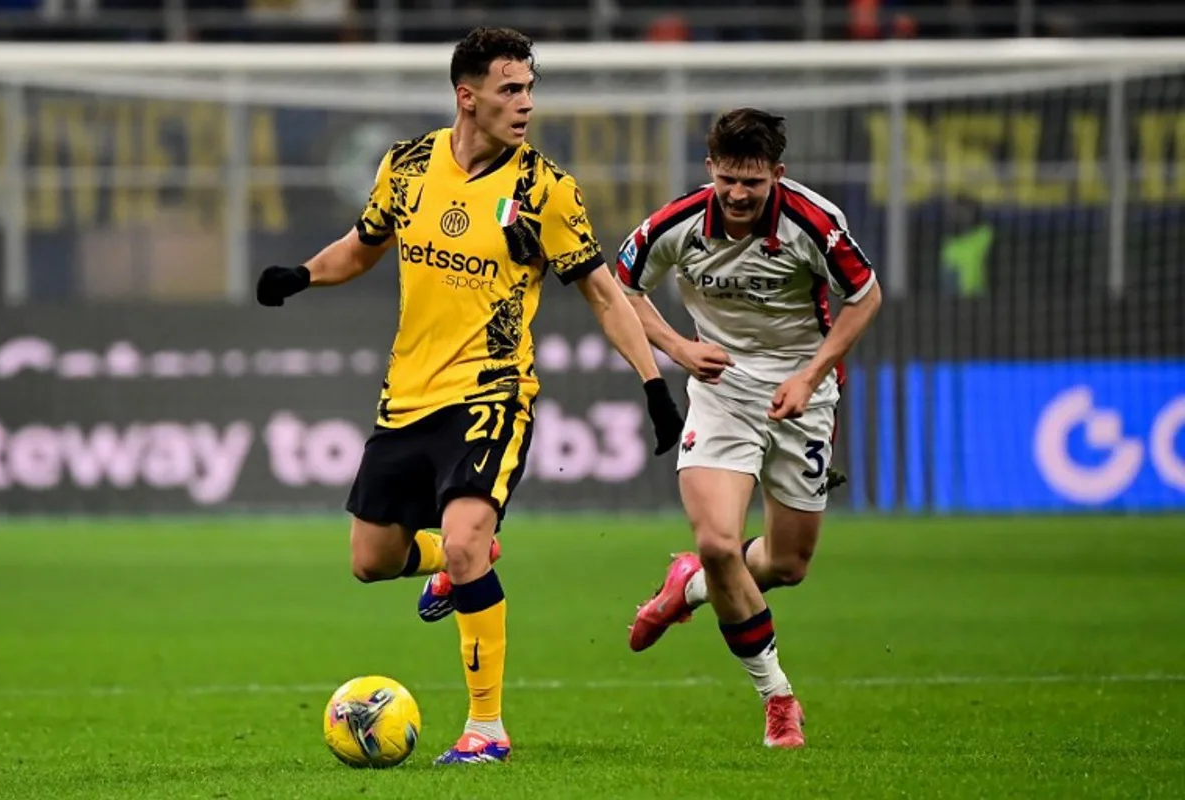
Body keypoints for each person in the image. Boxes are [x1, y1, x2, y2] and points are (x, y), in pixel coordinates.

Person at [255, 26, 684, 765]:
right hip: (407, 394)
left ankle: (486, 728)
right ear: (468, 95)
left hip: (493, 390)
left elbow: (605, 296)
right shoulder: (410, 164)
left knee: (462, 541)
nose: (525, 104)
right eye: (510, 89)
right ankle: (462, 560)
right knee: (371, 560)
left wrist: (654, 383)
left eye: (529, 89)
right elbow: (364, 244)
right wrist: (302, 274)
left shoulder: (544, 190)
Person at [616, 108, 882, 749]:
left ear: (777, 177)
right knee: (718, 540)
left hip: (804, 397)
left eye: (753, 183)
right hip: (721, 392)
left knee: (788, 564)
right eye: (728, 179)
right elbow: (619, 287)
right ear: (711, 169)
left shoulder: (813, 224)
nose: (738, 194)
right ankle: (778, 698)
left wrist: (812, 375)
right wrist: (679, 348)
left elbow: (865, 296)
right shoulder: (676, 224)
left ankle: (692, 588)